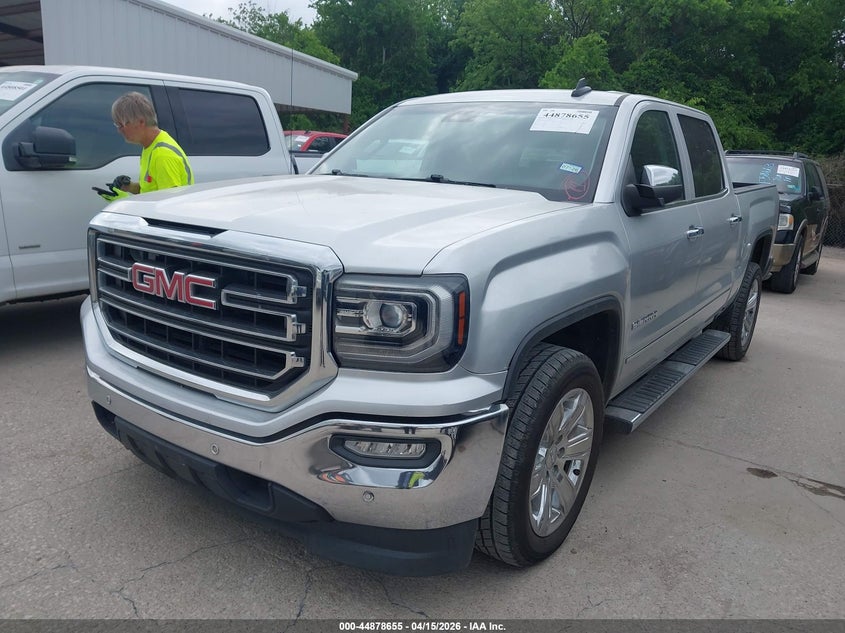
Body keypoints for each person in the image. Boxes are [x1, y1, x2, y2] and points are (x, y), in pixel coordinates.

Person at [98, 91, 193, 201]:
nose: (119, 130)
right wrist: (129, 187)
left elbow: (168, 205)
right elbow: (154, 191)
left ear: (141, 122)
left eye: (121, 125)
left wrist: (125, 202)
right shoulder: (151, 146)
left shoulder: (162, 155)